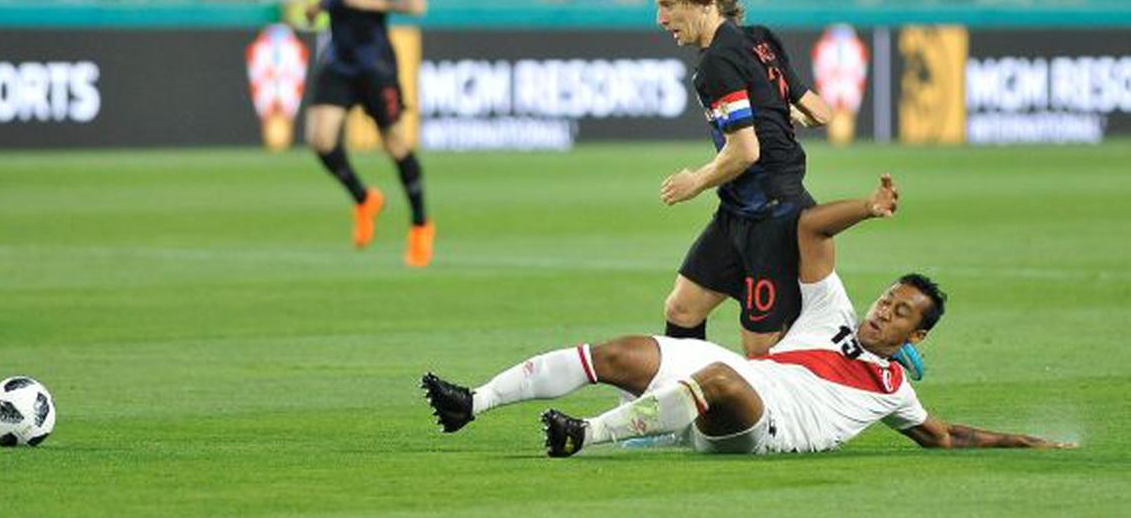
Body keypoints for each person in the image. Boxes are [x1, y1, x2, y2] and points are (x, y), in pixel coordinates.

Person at [422, 174, 1074, 456]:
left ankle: (584, 436)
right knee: (623, 351)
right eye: (886, 299)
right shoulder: (833, 314)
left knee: (724, 381)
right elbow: (812, 232)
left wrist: (1024, 440)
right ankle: (471, 402)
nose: (883, 312)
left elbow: (944, 437)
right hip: (735, 372)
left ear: (918, 334)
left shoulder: (893, 389)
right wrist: (867, 209)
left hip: (765, 428)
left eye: (900, 313)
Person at [653, 0, 832, 356]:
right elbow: (820, 112)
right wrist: (782, 113)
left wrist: (693, 182)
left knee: (762, 350)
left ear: (702, 1)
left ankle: (861, 356)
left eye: (667, 5)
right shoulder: (760, 38)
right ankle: (682, 410)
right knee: (681, 309)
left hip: (774, 215)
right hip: (740, 209)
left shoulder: (716, 63)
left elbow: (744, 152)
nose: (660, 19)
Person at [306, 0, 432, 266]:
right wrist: (320, 7)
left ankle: (420, 224)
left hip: (375, 63)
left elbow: (417, 4)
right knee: (320, 139)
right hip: (338, 61)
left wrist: (372, 2)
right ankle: (365, 199)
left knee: (394, 144)